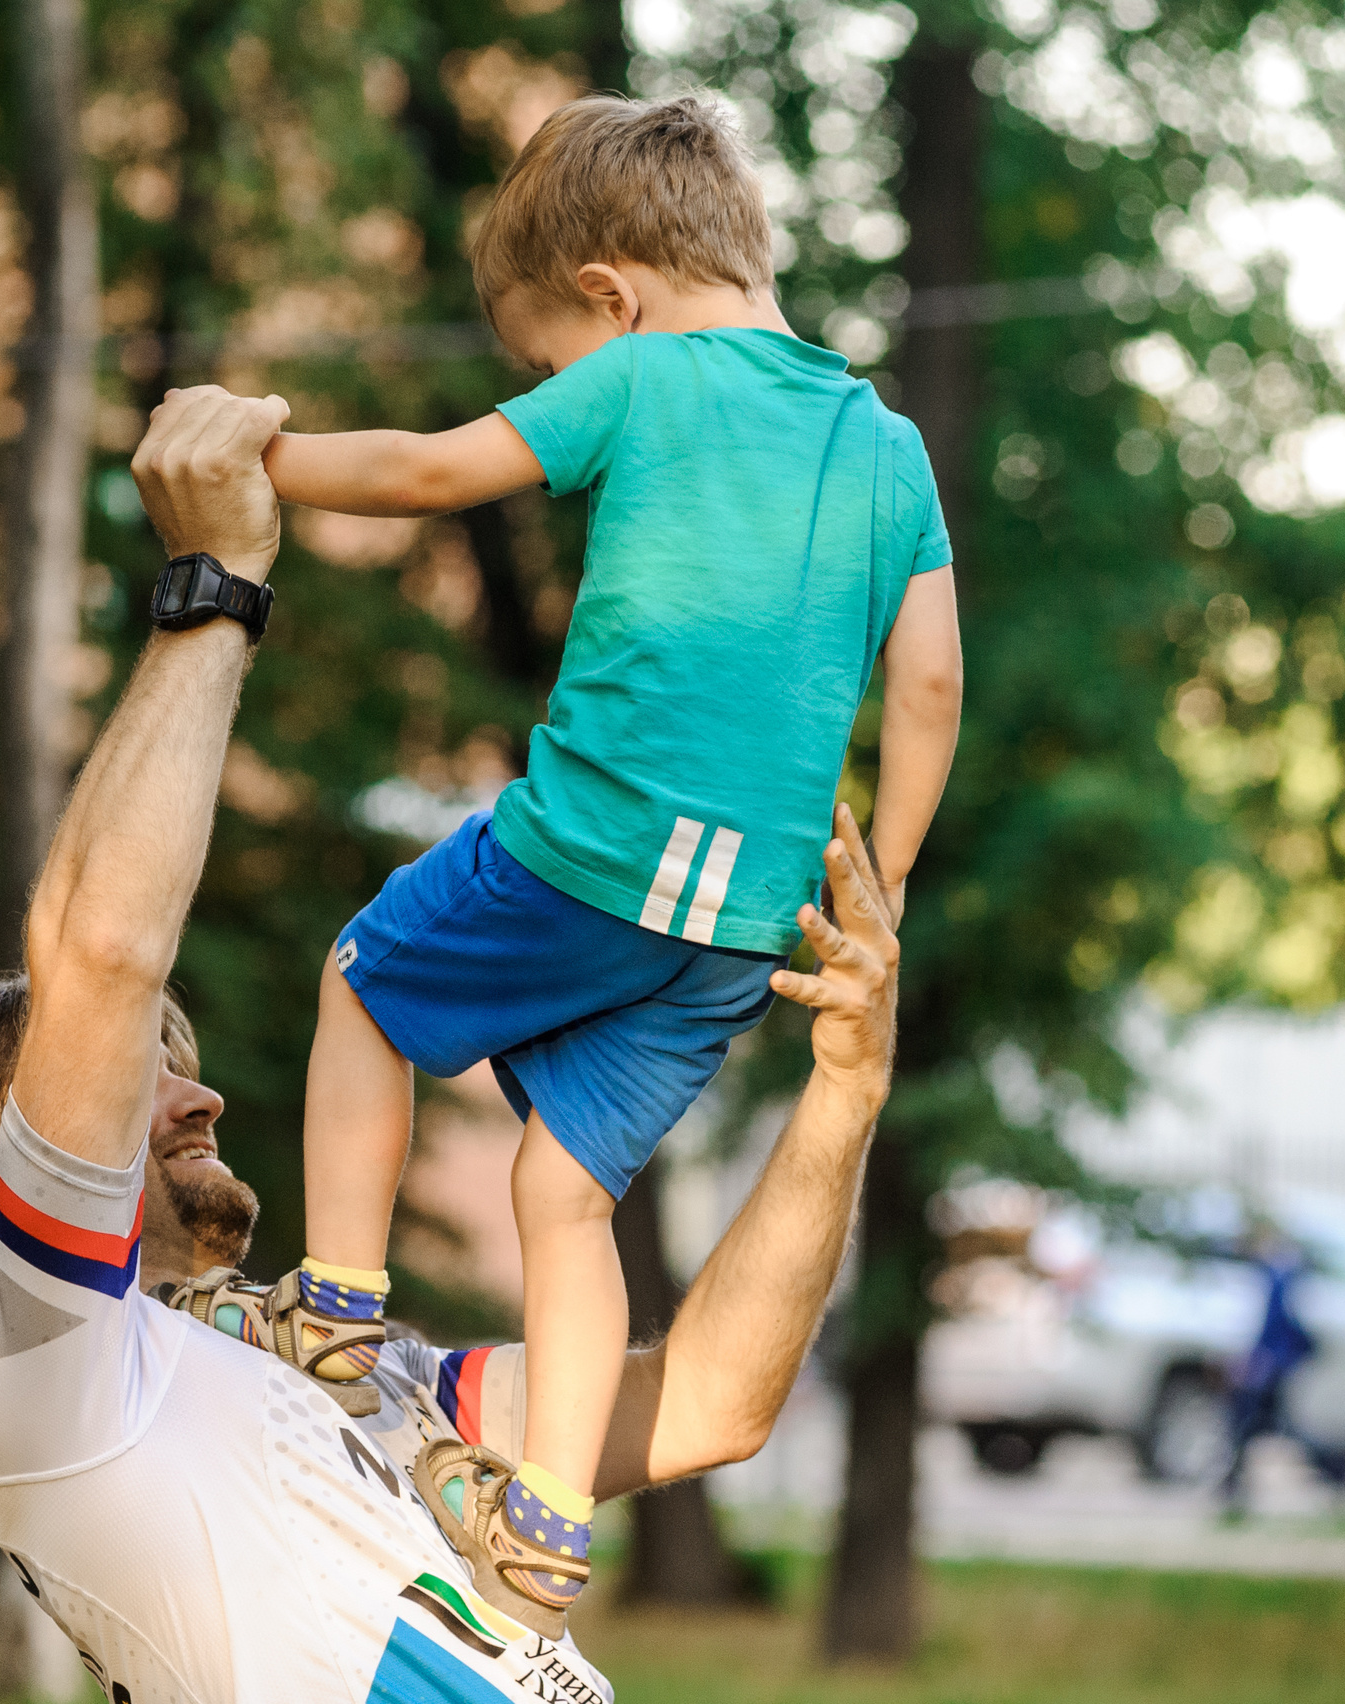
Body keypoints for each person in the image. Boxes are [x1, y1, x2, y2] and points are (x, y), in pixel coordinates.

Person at [0, 383, 906, 1703]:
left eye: (176, 1061)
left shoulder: (351, 1372)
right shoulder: (42, 1367)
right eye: (136, 1075)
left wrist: (844, 1093)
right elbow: (101, 954)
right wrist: (217, 581)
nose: (195, 1094)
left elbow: (706, 1404)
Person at [241, 93, 965, 1634]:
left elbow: (428, 474)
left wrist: (267, 458)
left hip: (596, 843)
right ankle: (550, 1521)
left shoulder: (642, 376)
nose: (558, 388)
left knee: (362, 982)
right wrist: (881, 890)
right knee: (567, 1194)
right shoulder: (887, 449)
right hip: (748, 918)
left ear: (609, 295)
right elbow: (930, 684)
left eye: (547, 361)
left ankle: (336, 1308)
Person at [1218, 1219, 1317, 1519]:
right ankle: (1234, 1480)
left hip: (1274, 1361)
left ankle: (1336, 1469)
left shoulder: (1280, 1276)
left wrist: (1263, 1358)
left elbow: (1277, 1324)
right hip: (1275, 1361)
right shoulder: (1278, 1274)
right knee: (1263, 1423)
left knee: (1261, 1422)